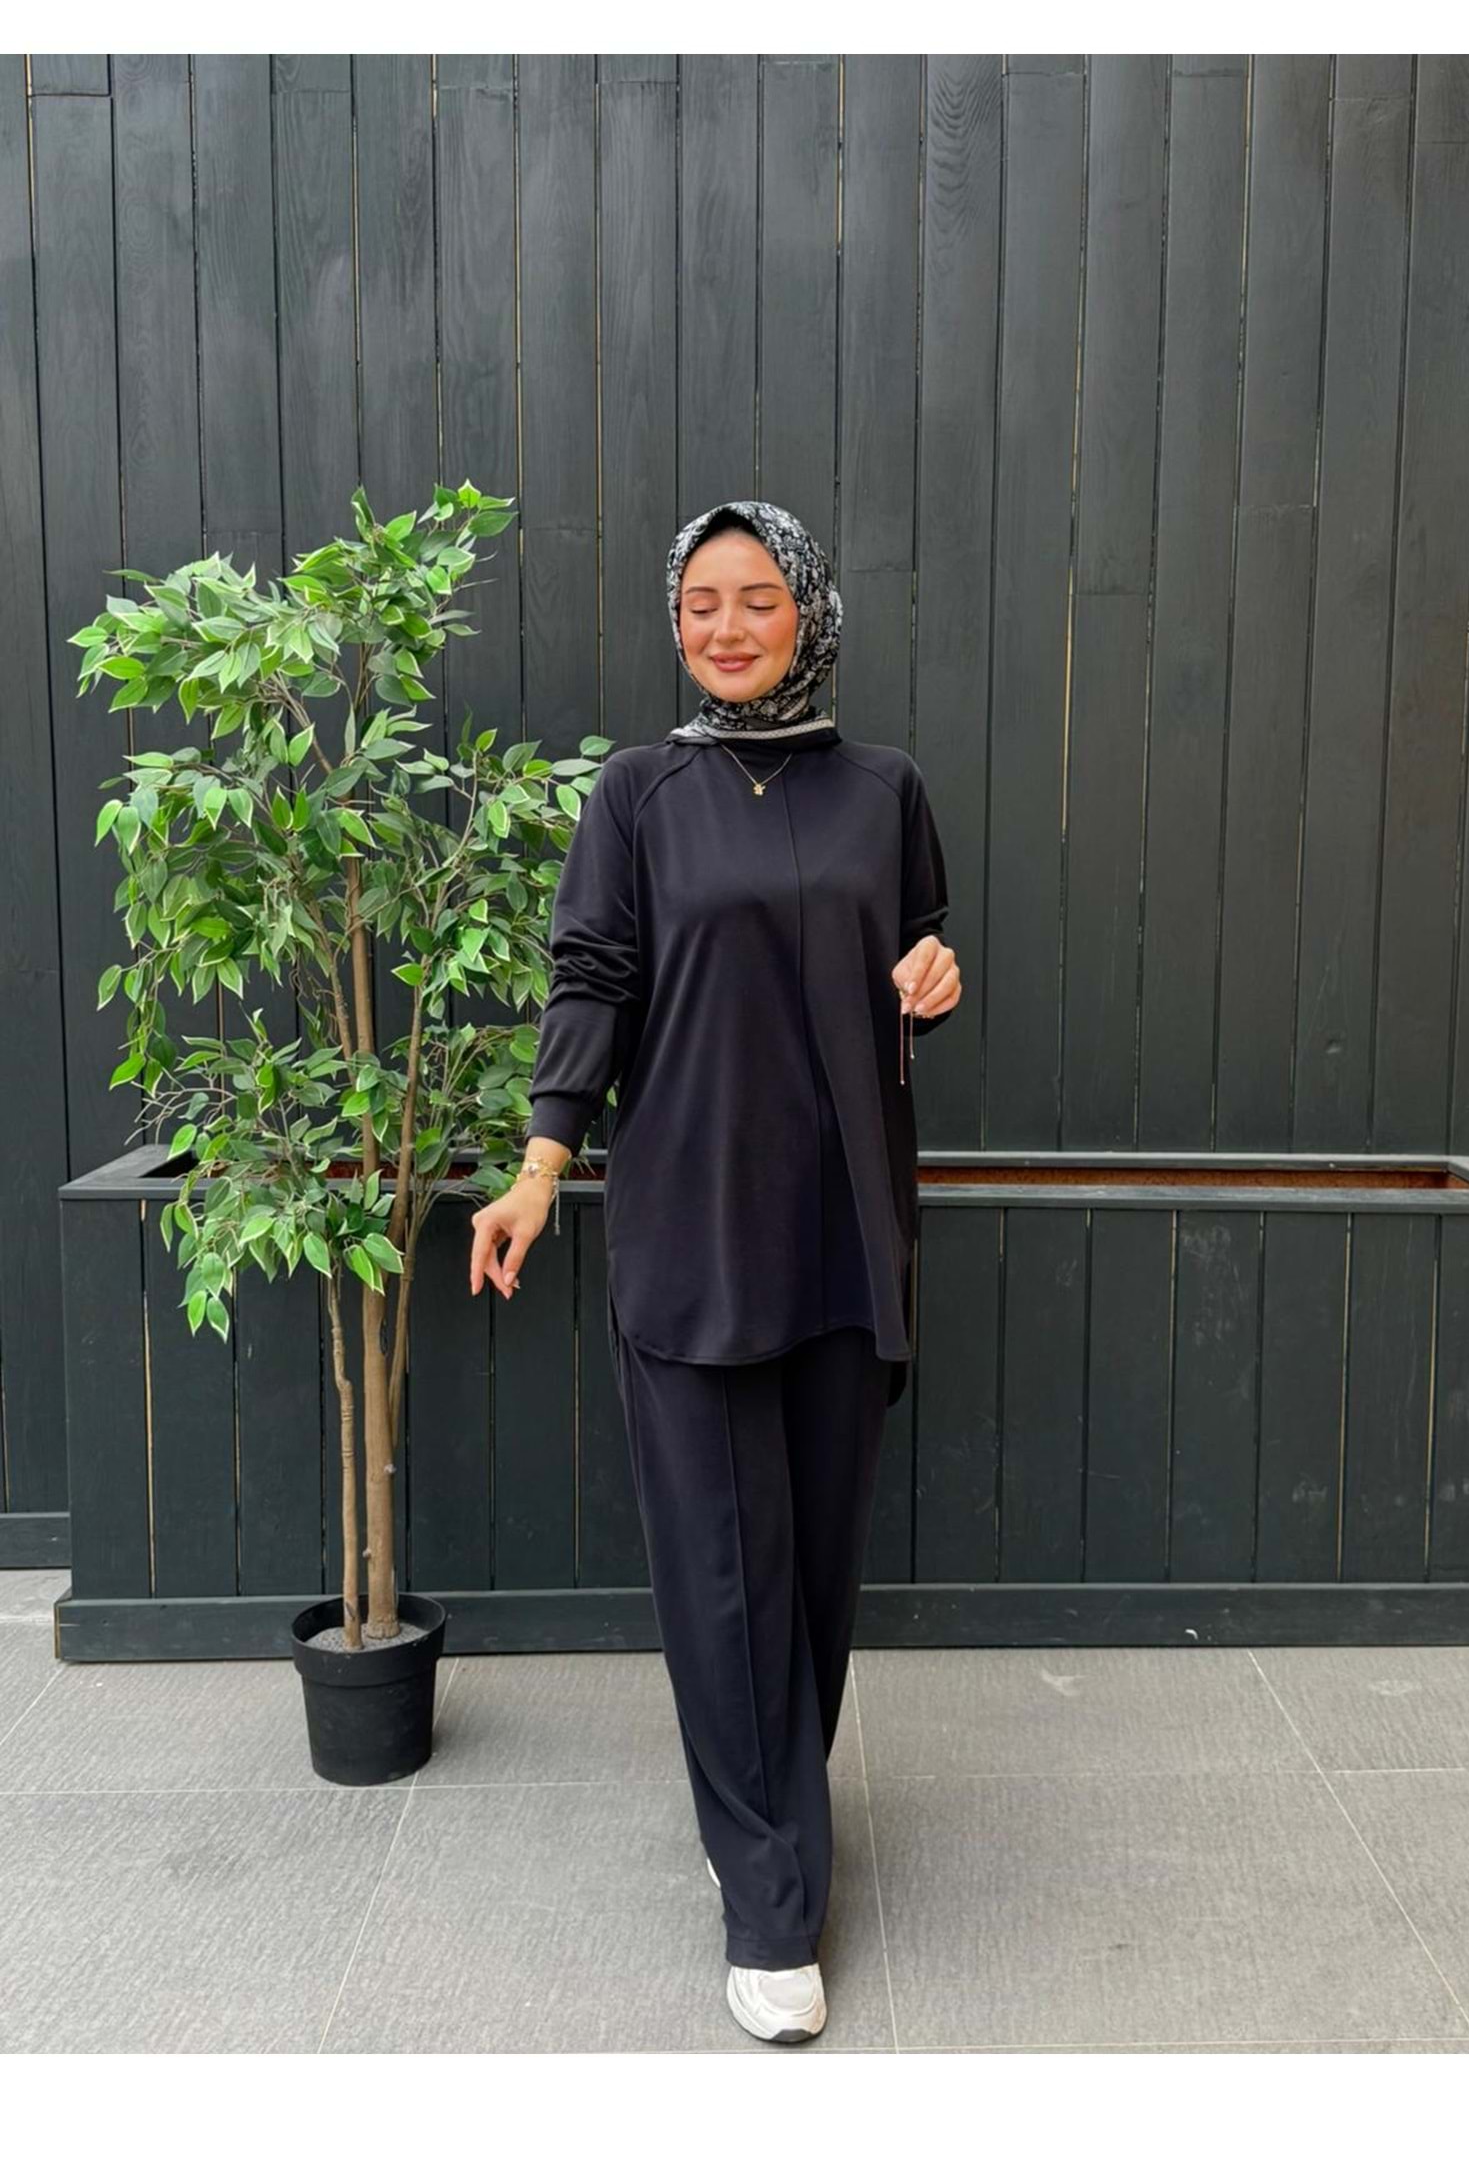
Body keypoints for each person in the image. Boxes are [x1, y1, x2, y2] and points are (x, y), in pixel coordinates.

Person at [468, 500, 961, 2044]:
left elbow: (919, 954)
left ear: (810, 610)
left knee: (811, 1568)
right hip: (691, 1222)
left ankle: (767, 1813)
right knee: (720, 1567)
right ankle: (767, 1899)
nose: (727, 626)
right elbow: (594, 979)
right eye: (701, 601)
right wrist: (540, 1167)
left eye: (757, 598)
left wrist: (936, 980)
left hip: (844, 1227)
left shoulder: (887, 791)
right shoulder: (640, 792)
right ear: (674, 620)